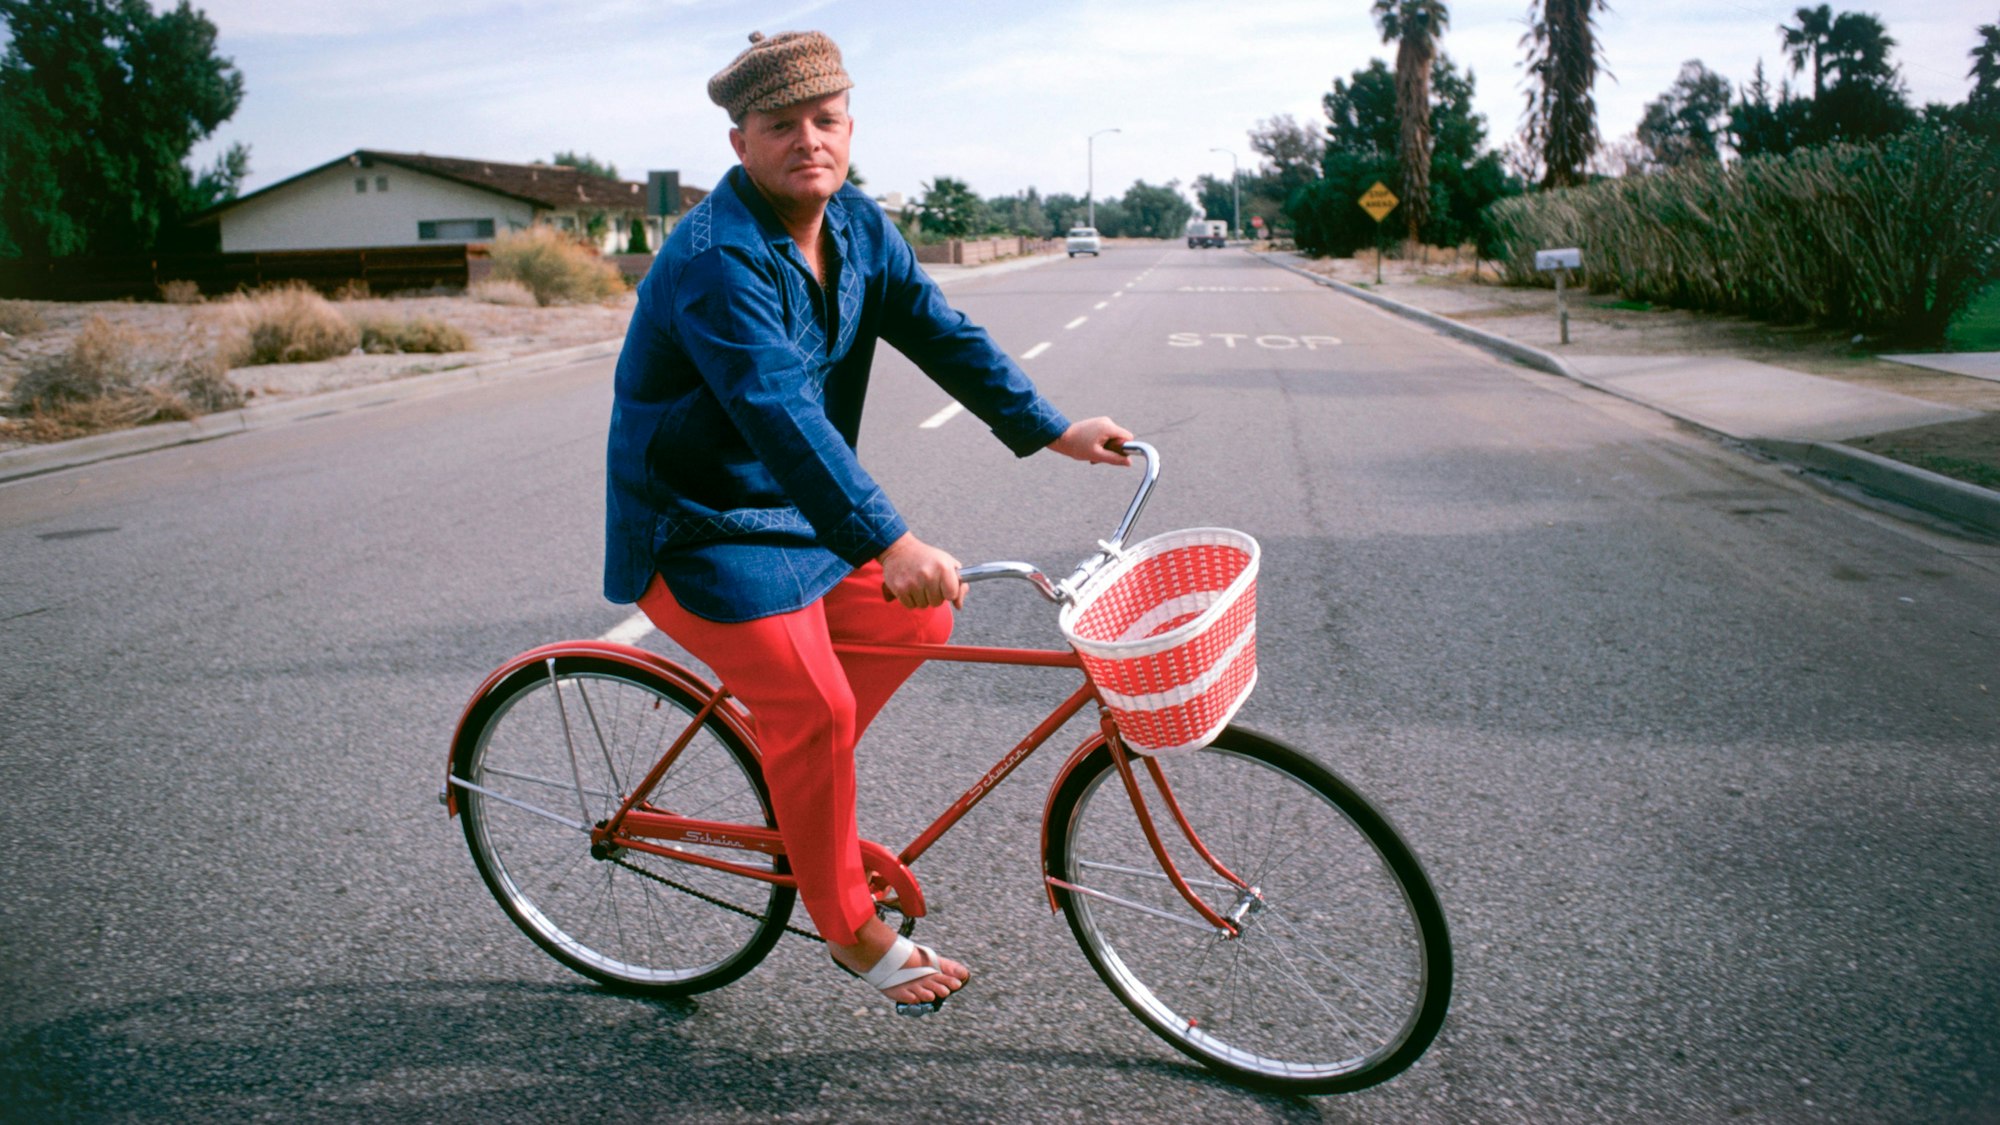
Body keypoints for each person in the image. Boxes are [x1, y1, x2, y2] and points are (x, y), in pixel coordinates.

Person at [603, 29, 1131, 1013]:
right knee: (817, 707)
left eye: (825, 119)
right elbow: (777, 411)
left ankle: (800, 774)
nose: (807, 139)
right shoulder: (716, 261)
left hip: (793, 515)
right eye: (779, 126)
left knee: (918, 617)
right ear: (739, 143)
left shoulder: (853, 225)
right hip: (697, 529)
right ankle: (847, 926)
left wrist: (1053, 429)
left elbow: (940, 331)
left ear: (848, 127)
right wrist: (889, 540)